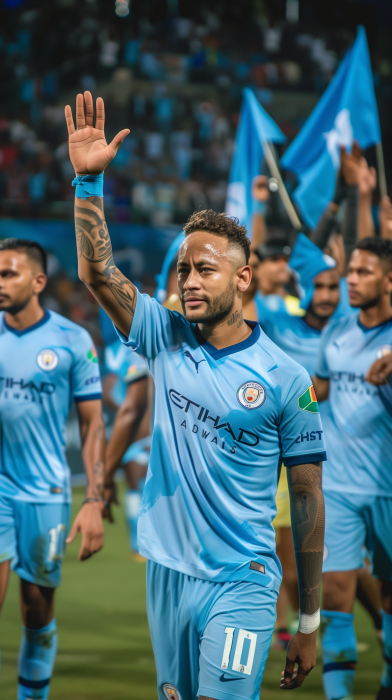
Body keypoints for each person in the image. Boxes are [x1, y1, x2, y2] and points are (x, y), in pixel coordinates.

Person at [65, 91, 327, 698]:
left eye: (205, 269)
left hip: (244, 578)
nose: (188, 280)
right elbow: (98, 273)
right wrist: (87, 183)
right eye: (184, 269)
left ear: (242, 278)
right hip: (167, 574)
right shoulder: (164, 336)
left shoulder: (286, 378)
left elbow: (309, 499)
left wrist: (309, 619)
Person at [0, 238, 106, 700]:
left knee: (37, 611)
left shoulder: (72, 341)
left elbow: (92, 425)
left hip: (45, 493)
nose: (0, 282)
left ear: (38, 281)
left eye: (9, 273)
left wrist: (95, 498)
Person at [312, 237, 392, 700]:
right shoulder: (338, 330)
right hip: (338, 486)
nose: (353, 280)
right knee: (336, 596)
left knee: (389, 597)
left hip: (388, 488)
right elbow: (319, 387)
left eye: (364, 272)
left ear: (388, 280)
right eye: (352, 272)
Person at [102, 338, 151, 559]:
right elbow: (107, 389)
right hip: (134, 437)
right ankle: (136, 544)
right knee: (134, 485)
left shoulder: (167, 344)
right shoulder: (117, 350)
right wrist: (128, 410)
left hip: (161, 433)